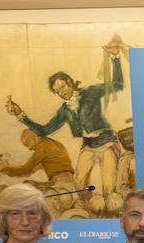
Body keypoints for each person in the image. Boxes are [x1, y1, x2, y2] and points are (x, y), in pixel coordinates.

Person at [7, 38, 126, 215]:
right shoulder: (64, 110)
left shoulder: (90, 93)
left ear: (70, 83)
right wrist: (20, 114)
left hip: (107, 141)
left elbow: (117, 85)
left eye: (63, 86)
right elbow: (44, 130)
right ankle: (87, 215)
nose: (62, 92)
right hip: (88, 145)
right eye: (58, 91)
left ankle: (108, 220)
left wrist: (115, 59)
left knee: (109, 190)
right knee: (79, 187)